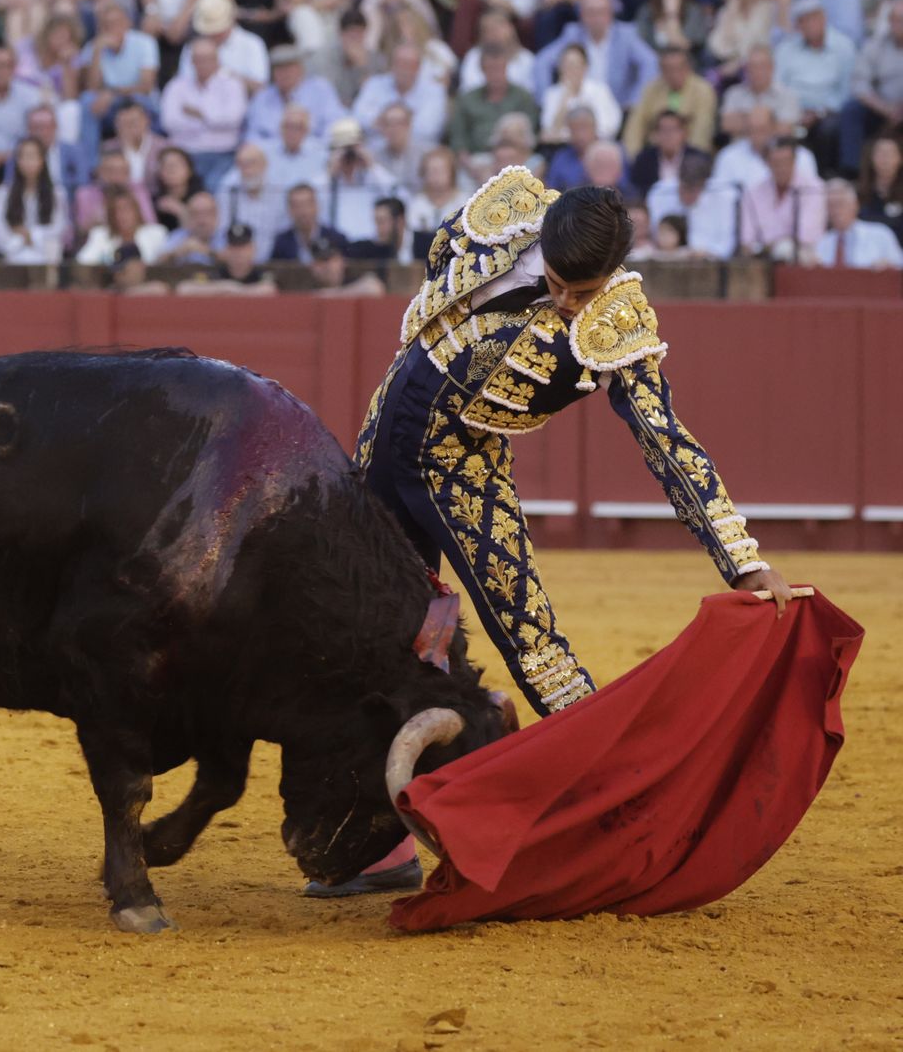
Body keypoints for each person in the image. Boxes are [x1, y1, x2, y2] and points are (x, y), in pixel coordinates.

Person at [339, 174, 791, 897]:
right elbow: (439, 263)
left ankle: (626, 821)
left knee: (535, 644)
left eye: (584, 292)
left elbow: (666, 441)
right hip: (389, 425)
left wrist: (741, 562)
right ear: (542, 241)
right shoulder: (509, 211)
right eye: (558, 285)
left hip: (464, 465)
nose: (569, 304)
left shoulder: (617, 320)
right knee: (367, 630)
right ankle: (379, 843)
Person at [532, 0, 659, 109]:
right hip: (579, 108)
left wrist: (635, 100)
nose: (596, 18)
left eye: (601, 12)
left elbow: (650, 62)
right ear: (581, 15)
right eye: (590, 12)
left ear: (610, 13)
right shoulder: (572, 34)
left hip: (618, 105)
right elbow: (542, 62)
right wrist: (547, 101)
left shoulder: (626, 35)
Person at [773, 0, 855, 171]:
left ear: (824, 18)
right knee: (777, 126)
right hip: (792, 110)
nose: (810, 24)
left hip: (828, 112)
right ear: (797, 25)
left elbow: (846, 91)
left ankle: (826, 175)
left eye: (814, 18)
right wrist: (794, 111)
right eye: (803, 20)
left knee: (829, 129)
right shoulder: (786, 49)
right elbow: (777, 85)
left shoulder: (844, 47)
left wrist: (819, 112)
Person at [77, 2, 160, 169]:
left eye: (116, 22)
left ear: (127, 23)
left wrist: (113, 94)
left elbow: (146, 86)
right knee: (86, 101)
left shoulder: (144, 42)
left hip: (140, 100)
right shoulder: (93, 47)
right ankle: (91, 167)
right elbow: (92, 88)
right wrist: (97, 52)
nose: (111, 28)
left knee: (136, 104)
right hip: (109, 106)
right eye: (106, 24)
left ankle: (150, 161)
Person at [159, 36, 246, 189]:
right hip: (185, 155)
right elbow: (170, 122)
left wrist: (200, 114)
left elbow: (234, 119)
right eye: (198, 58)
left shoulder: (232, 84)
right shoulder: (176, 86)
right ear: (191, 61)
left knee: (218, 191)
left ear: (217, 60)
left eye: (208, 58)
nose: (203, 63)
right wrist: (214, 121)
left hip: (223, 155)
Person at [449, 43, 539, 181]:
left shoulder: (522, 97)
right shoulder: (467, 100)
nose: (495, 74)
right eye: (490, 69)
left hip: (516, 159)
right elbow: (458, 140)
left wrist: (510, 160)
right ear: (482, 70)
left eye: (499, 68)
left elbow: (530, 136)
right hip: (477, 161)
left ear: (506, 67)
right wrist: (470, 167)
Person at [839, 0, 903, 177]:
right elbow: (859, 83)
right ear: (889, 22)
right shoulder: (876, 45)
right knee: (851, 110)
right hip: (882, 108)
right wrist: (884, 108)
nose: (899, 25)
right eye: (896, 20)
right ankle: (853, 172)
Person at [739, 136, 827, 262]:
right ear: (767, 163)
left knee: (790, 250)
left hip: (801, 261)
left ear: (794, 160)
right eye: (776, 162)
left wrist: (771, 245)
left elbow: (807, 235)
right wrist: (771, 246)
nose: (781, 168)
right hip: (761, 260)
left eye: (786, 161)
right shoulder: (753, 192)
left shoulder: (813, 188)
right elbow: (746, 239)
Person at [621, 47, 716, 158]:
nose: (673, 74)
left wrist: (690, 158)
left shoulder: (703, 90)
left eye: (678, 68)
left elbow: (702, 130)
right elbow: (635, 126)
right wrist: (635, 157)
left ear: (688, 68)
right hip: (655, 154)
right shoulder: (651, 89)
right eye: (667, 69)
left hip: (689, 156)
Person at [243, 43, 344, 147]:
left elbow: (335, 124)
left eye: (289, 68)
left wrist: (310, 148)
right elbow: (252, 135)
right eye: (279, 69)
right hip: (272, 157)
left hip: (316, 152)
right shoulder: (262, 98)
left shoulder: (320, 89)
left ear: (301, 69)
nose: (284, 74)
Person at [353, 43, 447, 154]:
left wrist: (383, 123)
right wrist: (402, 125)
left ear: (419, 67)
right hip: (376, 153)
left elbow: (427, 130)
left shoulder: (435, 91)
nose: (404, 70)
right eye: (400, 63)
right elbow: (357, 118)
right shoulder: (374, 84)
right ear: (392, 65)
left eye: (409, 64)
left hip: (420, 156)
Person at [645, 153, 740, 259]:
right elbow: (655, 239)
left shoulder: (724, 196)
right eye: (685, 188)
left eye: (694, 189)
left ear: (704, 185)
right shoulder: (659, 194)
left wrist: (703, 253)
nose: (688, 194)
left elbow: (725, 246)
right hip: (667, 261)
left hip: (709, 264)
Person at [0, 135, 66, 264]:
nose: (28, 162)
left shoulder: (57, 193)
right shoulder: (4, 192)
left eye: (32, 156)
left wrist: (31, 235)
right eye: (23, 156)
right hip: (14, 252)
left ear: (42, 160)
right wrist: (18, 242)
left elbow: (59, 227)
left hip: (46, 252)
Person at [321, 117, 398, 243]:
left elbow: (397, 196)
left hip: (371, 247)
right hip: (337, 248)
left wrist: (372, 166)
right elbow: (312, 203)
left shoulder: (374, 178)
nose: (349, 156)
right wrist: (331, 172)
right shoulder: (326, 181)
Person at [179, 0, 268, 93]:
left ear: (231, 21)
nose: (213, 33)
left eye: (217, 30)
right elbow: (184, 84)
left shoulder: (252, 44)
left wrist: (223, 73)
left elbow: (260, 88)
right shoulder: (193, 47)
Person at [215, 141, 286, 260]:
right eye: (242, 165)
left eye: (252, 163)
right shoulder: (228, 191)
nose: (248, 170)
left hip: (274, 259)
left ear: (265, 164)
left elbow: (284, 231)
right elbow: (221, 231)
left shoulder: (279, 192)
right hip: (237, 260)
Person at [539, 43, 622, 144]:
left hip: (595, 146)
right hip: (562, 148)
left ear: (585, 67)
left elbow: (608, 127)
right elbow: (549, 132)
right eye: (565, 65)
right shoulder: (552, 94)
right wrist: (564, 100)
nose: (569, 70)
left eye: (574, 65)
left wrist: (571, 137)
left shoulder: (599, 91)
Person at [817, 178, 903, 268]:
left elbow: (899, 265)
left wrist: (889, 265)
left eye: (840, 203)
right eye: (830, 205)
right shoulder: (821, 242)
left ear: (855, 205)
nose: (835, 210)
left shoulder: (881, 234)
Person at [719, 45, 801, 139]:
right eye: (752, 66)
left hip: (775, 150)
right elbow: (727, 125)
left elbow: (786, 129)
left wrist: (744, 118)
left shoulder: (788, 95)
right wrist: (771, 121)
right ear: (746, 69)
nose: (757, 71)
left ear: (772, 68)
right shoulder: (733, 93)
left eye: (762, 66)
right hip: (740, 149)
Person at [628, 110, 711, 199]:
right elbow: (637, 192)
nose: (668, 135)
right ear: (655, 134)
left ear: (684, 133)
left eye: (673, 129)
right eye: (663, 130)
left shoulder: (699, 158)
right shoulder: (644, 160)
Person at [75, 187, 168, 265]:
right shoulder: (100, 235)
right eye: (116, 211)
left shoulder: (156, 233)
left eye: (126, 210)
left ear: (137, 212)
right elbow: (83, 262)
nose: (121, 216)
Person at [176, 222, 277, 294]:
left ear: (253, 249)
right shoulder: (217, 273)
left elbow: (270, 289)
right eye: (234, 247)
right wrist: (223, 286)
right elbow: (184, 288)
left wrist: (238, 290)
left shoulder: (261, 275)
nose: (238, 252)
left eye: (243, 247)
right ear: (226, 250)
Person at [72, 150, 155, 236]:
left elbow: (150, 223)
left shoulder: (138, 191)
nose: (116, 177)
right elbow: (82, 230)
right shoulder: (85, 194)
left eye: (122, 171)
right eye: (111, 171)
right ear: (100, 172)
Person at [708, 0, 777, 83]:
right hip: (728, 64)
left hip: (753, 66)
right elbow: (717, 46)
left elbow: (764, 43)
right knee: (711, 77)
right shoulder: (728, 10)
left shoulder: (768, 8)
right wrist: (731, 14)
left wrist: (739, 62)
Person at [258, 103, 328, 193]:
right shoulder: (264, 153)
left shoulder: (321, 155)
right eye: (288, 126)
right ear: (280, 128)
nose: (292, 132)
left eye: (298, 127)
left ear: (307, 130)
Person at [269, 182, 346, 262]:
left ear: (317, 206)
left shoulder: (336, 239)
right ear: (289, 210)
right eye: (297, 206)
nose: (303, 211)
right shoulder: (281, 242)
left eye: (307, 204)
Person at [635, 0, 707, 65]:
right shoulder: (646, 12)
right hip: (653, 65)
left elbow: (682, 47)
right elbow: (642, 47)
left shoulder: (693, 12)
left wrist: (672, 15)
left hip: (686, 66)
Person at [405, 146, 466, 235]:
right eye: (432, 171)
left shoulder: (464, 204)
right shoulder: (416, 204)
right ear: (423, 174)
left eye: (441, 170)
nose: (436, 176)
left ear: (451, 172)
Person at [158, 188, 223, 265]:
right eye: (196, 214)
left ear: (216, 216)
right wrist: (176, 253)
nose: (201, 220)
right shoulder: (178, 236)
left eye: (206, 214)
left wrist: (207, 251)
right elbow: (158, 261)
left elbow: (233, 259)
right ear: (188, 217)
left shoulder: (224, 236)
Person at [857, 133, 903, 241]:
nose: (885, 159)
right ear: (871, 158)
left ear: (900, 159)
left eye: (890, 154)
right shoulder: (859, 192)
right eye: (881, 153)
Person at [306, 236, 386, 295]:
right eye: (321, 261)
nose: (327, 266)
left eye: (331, 260)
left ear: (342, 262)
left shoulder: (351, 280)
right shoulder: (305, 285)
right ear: (312, 266)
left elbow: (374, 288)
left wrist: (331, 294)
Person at [149, 146, 203, 231]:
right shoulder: (153, 202)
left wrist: (181, 211)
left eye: (176, 165)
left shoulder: (202, 198)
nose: (171, 170)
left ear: (189, 170)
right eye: (166, 165)